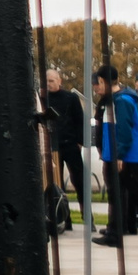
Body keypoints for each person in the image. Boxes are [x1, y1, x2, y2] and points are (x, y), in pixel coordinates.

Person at [91, 65, 138, 248]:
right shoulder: (113, 100)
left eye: (97, 83)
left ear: (101, 81)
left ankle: (118, 232)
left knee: (121, 194)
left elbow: (123, 131)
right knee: (122, 194)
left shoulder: (121, 101)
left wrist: (119, 155)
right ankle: (118, 228)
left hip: (121, 156)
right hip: (114, 154)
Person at [42, 65, 88, 235]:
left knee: (80, 181)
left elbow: (79, 120)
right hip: (52, 147)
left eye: (52, 80)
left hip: (70, 144)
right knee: (56, 183)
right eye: (46, 81)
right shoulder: (42, 99)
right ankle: (63, 219)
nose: (49, 84)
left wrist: (80, 141)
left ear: (59, 81)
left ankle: (87, 216)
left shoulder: (71, 98)